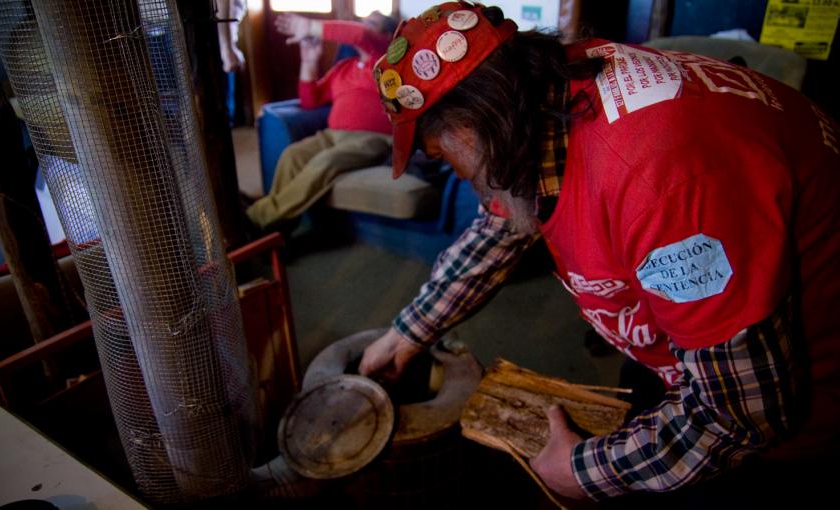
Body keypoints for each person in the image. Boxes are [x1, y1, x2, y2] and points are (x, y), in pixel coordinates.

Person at [357, 2, 840, 505]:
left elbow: (743, 412)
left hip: (789, 420)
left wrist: (582, 471)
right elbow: (498, 227)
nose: (440, 160)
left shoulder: (661, 179)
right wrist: (407, 332)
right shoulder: (548, 90)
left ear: (478, 122)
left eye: (437, 146)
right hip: (677, 348)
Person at [246, 11, 397, 230]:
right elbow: (310, 101)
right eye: (363, 22)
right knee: (292, 155)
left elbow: (360, 35)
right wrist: (309, 61)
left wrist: (309, 26)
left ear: (387, 35)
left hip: (372, 139)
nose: (364, 26)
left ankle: (257, 217)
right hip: (331, 136)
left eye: (372, 24)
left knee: (325, 162)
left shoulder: (387, 61)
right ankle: (278, 229)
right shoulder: (343, 68)